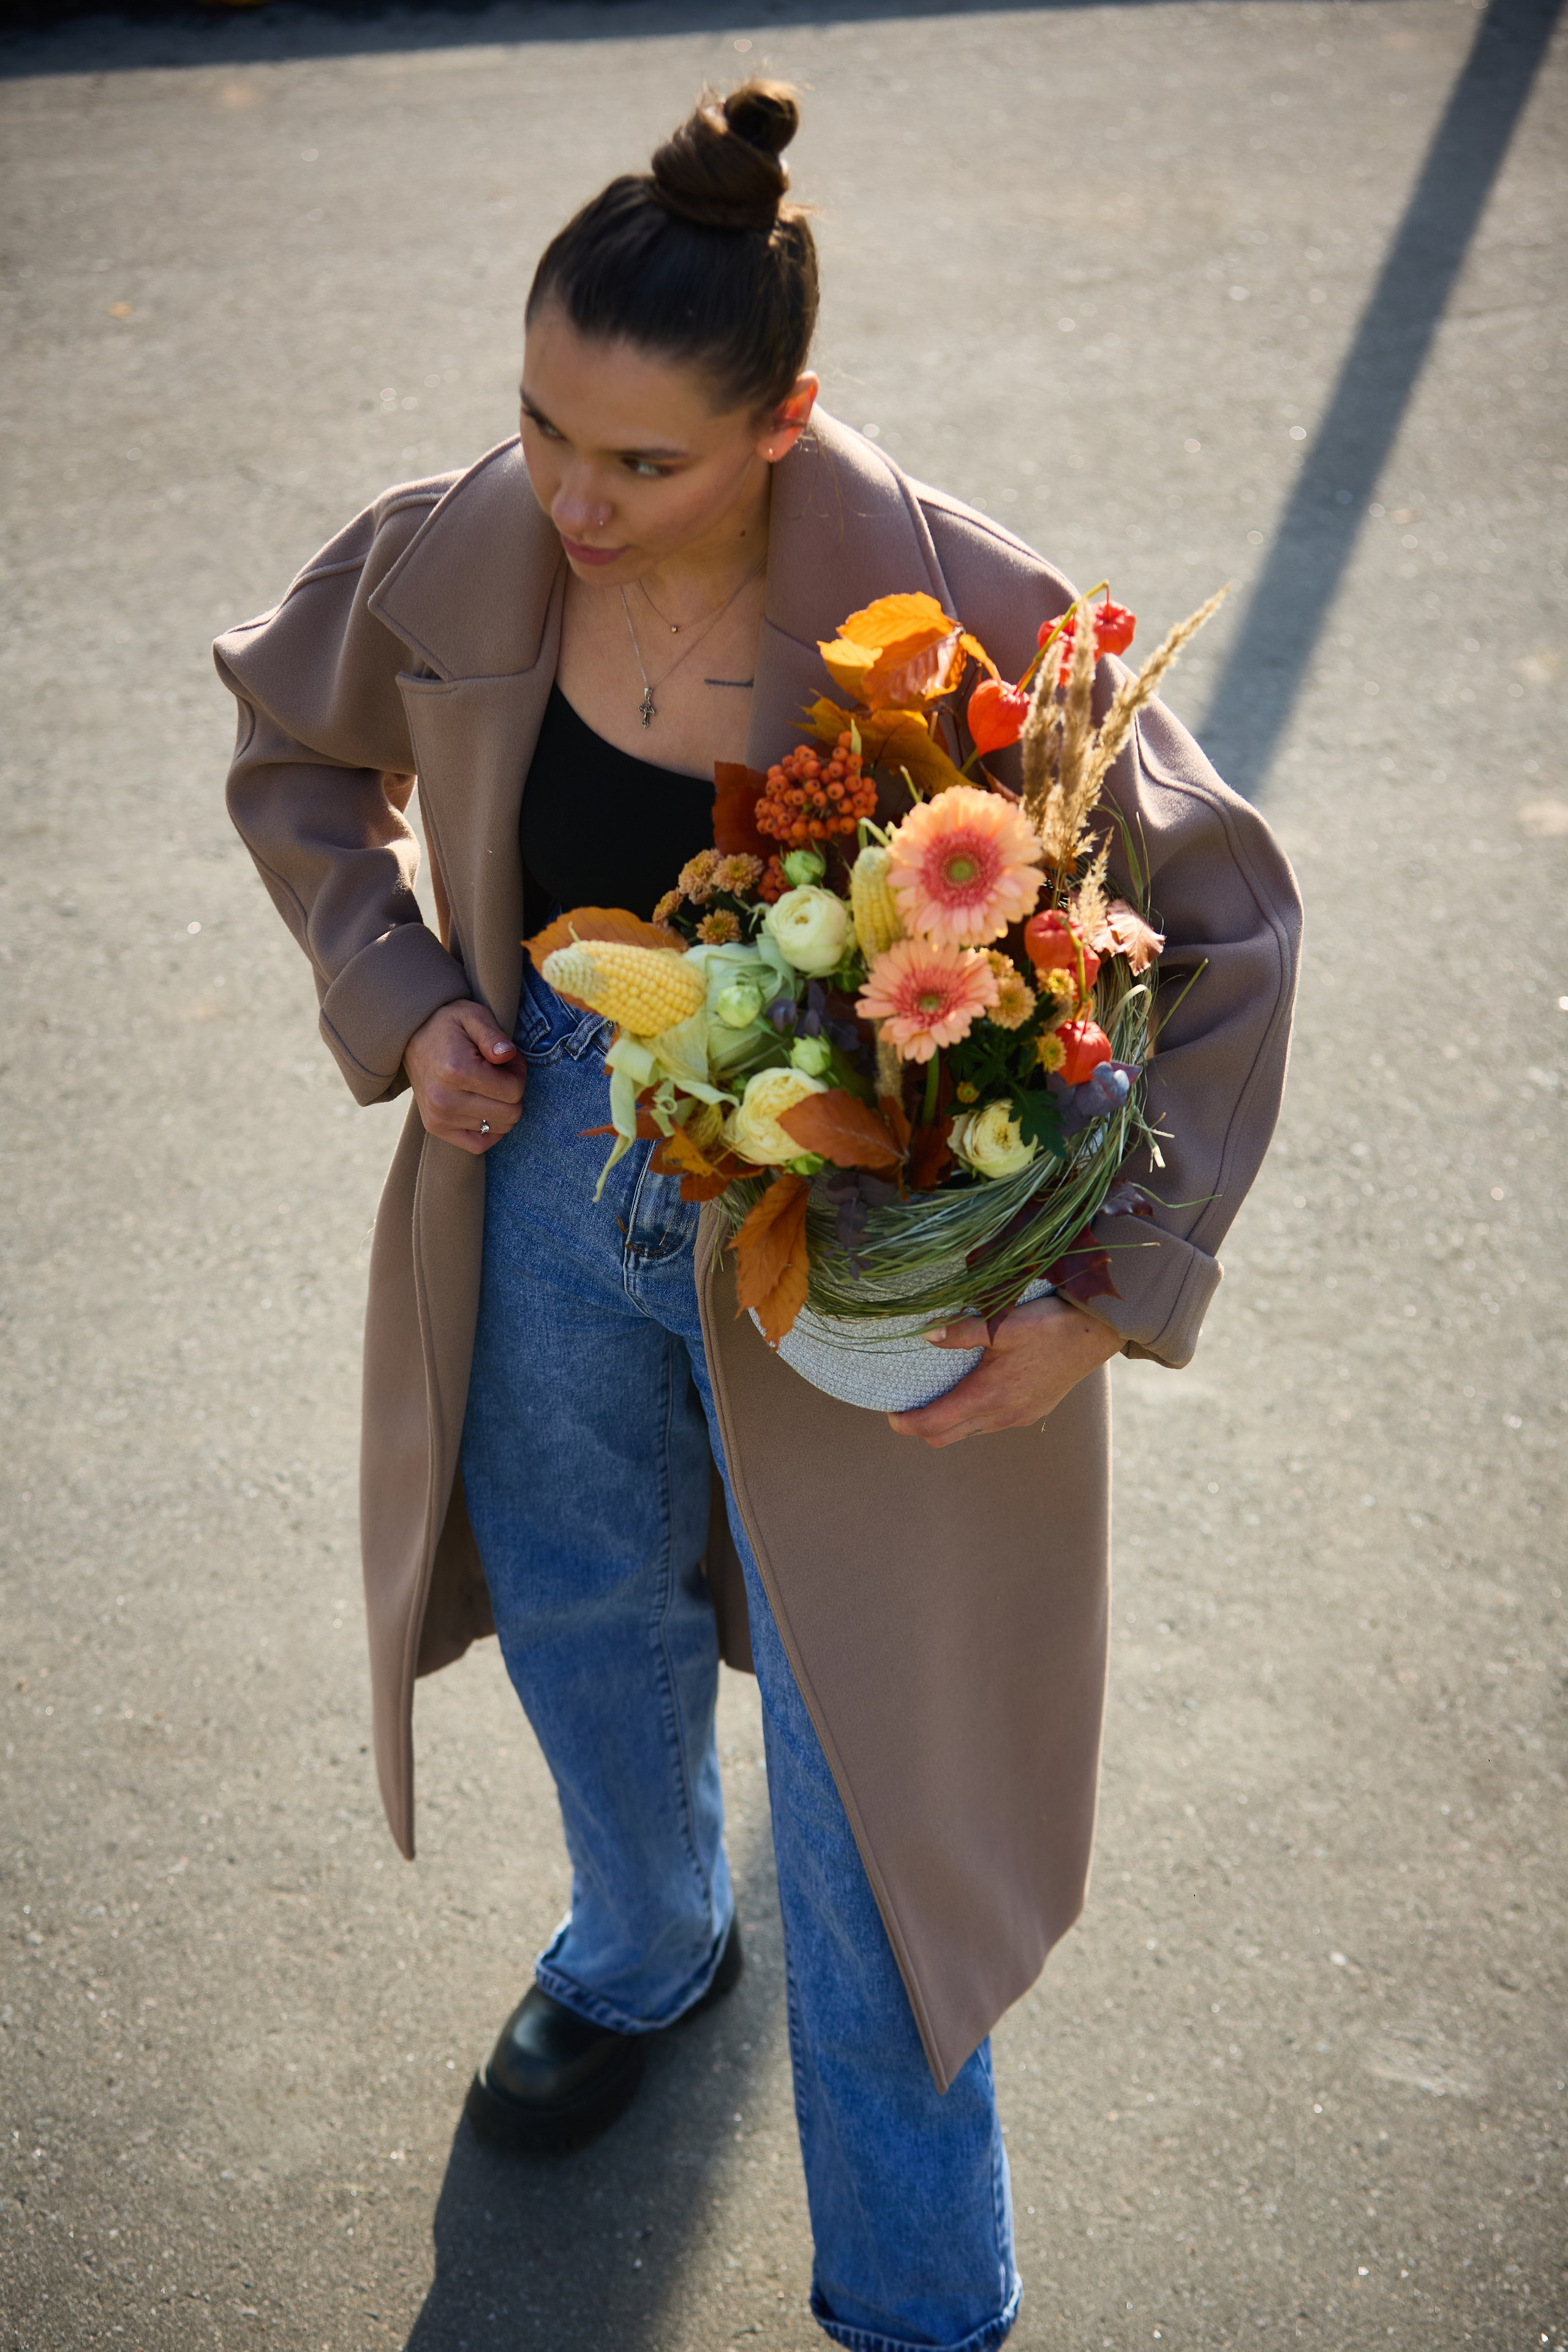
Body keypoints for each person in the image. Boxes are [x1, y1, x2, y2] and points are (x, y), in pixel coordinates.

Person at [216, 81, 1301, 2352]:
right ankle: (639, 1939)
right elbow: (298, 762)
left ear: (785, 421)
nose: (574, 501)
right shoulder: (457, 551)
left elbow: (1231, 923)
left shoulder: (971, 609)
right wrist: (408, 1000)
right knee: (576, 1591)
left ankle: (921, 2306)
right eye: (543, 429)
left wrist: (1120, 1293)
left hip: (859, 1228)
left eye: (644, 463)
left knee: (870, 1765)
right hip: (540, 1158)